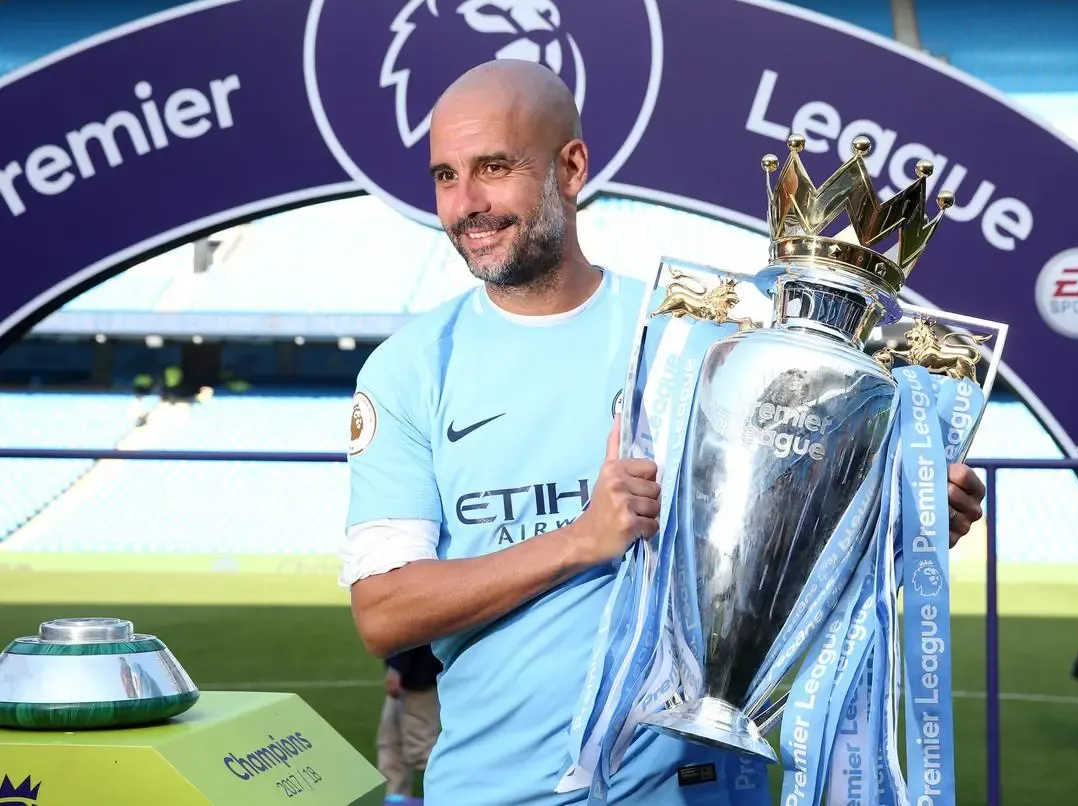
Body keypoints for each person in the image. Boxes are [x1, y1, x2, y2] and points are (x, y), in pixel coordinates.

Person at [338, 58, 989, 804]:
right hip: (494, 791)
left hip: (692, 791)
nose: (467, 203)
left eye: (494, 167)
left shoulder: (691, 338)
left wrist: (900, 514)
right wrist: (580, 540)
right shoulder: (408, 369)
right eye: (446, 176)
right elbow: (383, 611)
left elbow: (781, 537)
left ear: (572, 166)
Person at [378, 644, 444, 802]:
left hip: (419, 677)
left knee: (421, 751)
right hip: (411, 676)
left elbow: (411, 634)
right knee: (390, 742)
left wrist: (397, 669)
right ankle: (395, 798)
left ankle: (456, 796)